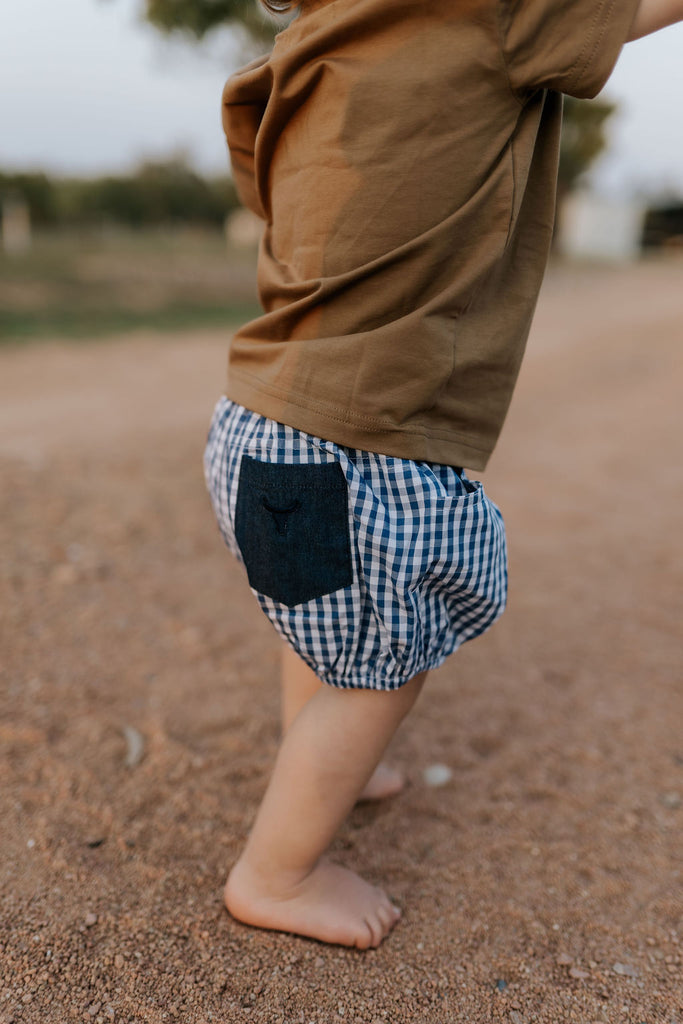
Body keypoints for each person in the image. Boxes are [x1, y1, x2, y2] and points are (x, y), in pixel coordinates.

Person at [204, 0, 683, 949]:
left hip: (259, 421)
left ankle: (335, 767)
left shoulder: (309, 38)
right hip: (363, 446)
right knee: (390, 660)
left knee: (330, 616)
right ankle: (278, 873)